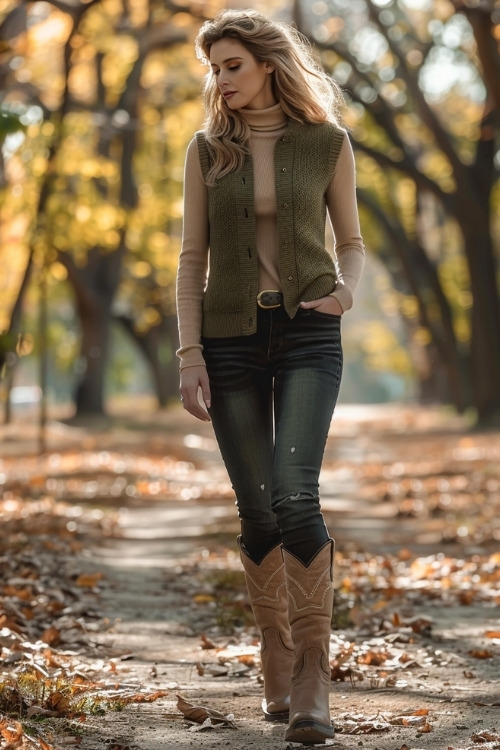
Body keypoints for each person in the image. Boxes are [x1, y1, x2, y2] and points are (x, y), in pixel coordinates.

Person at [176, 8, 364, 745]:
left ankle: (314, 671)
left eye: (231, 66)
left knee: (294, 494)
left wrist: (344, 296)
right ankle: (276, 659)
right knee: (255, 508)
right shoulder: (205, 151)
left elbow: (350, 242)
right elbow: (192, 260)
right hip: (227, 339)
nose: (220, 81)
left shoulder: (327, 143)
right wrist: (189, 356)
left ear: (267, 65)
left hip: (309, 332)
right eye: (214, 69)